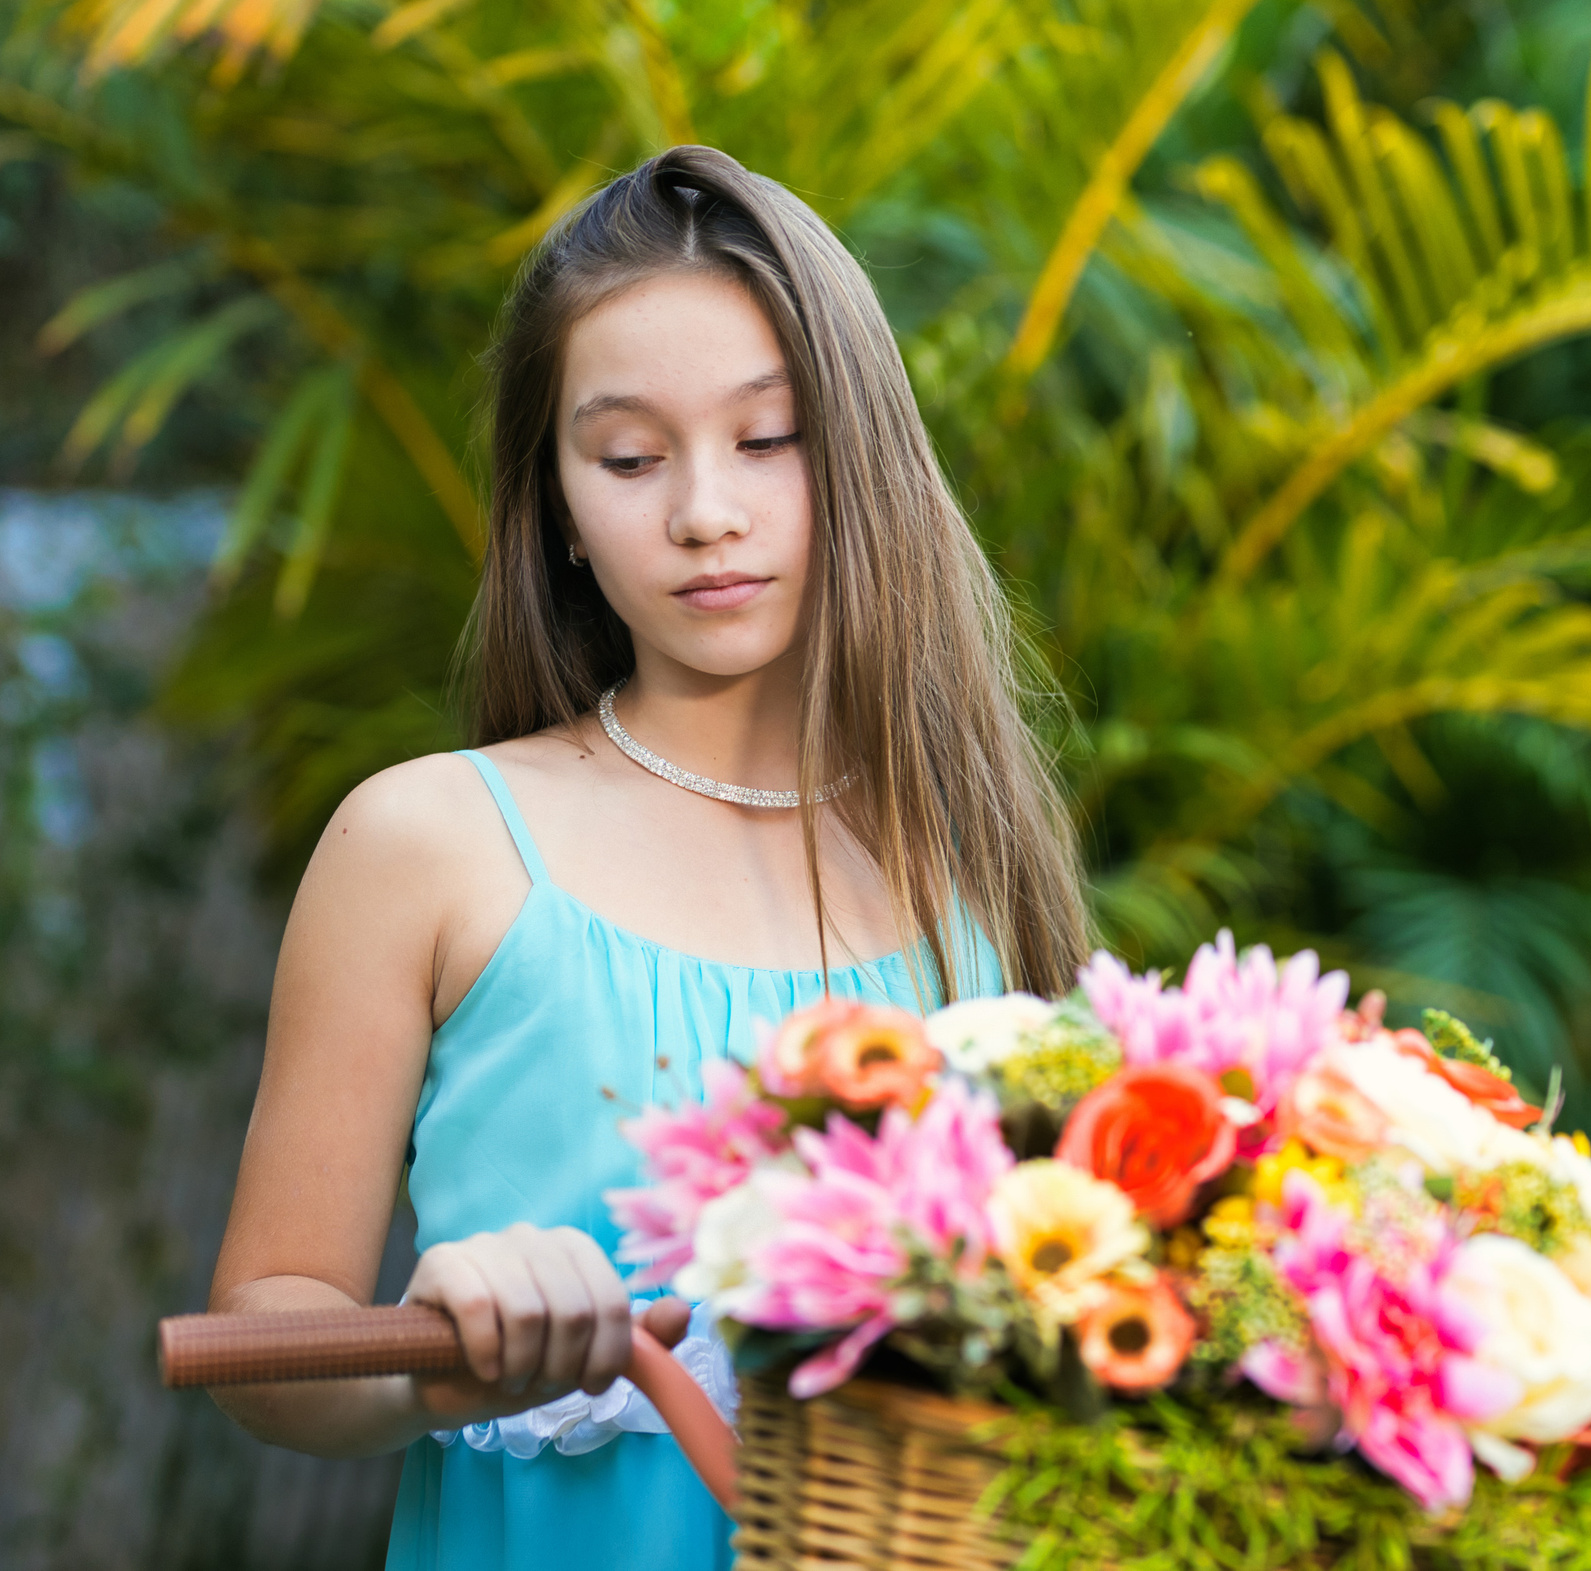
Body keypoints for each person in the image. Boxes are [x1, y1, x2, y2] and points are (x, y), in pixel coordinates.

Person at [203, 146, 1090, 1568]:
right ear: (552, 500)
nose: (703, 511)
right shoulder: (426, 841)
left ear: (860, 454)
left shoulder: (965, 860)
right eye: (628, 456)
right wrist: (433, 1366)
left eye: (769, 437)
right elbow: (264, 1332)